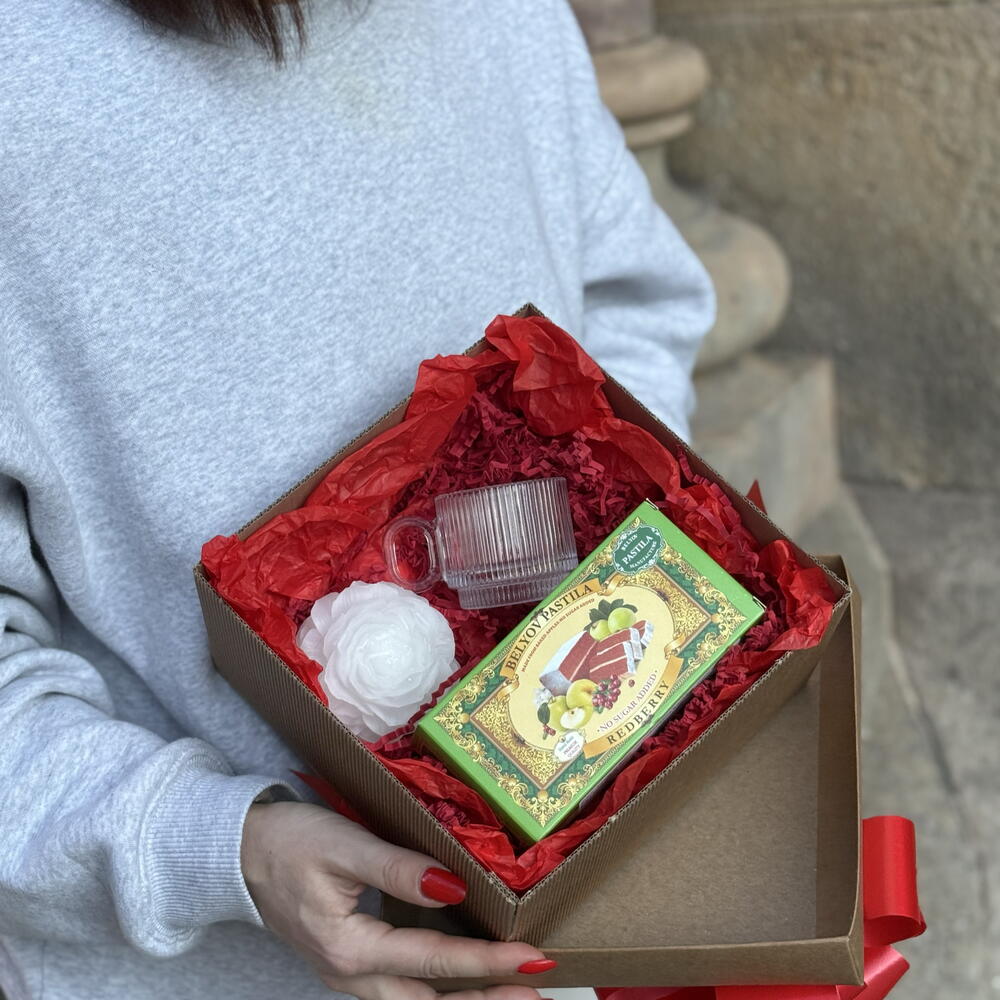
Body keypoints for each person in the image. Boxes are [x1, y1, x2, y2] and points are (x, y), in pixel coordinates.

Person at [0, 0, 715, 997]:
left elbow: (632, 302)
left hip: (567, 882)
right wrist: (224, 846)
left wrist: (627, 556)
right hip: (215, 969)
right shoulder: (27, 95)